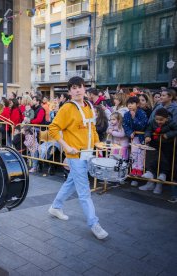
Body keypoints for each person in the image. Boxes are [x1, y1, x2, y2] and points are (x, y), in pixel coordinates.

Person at [48, 76, 108, 240]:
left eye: (79, 87)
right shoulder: (67, 108)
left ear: (84, 88)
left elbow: (92, 128)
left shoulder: (89, 105)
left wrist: (98, 144)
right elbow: (53, 128)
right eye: (73, 88)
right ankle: (94, 224)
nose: (77, 90)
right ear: (69, 91)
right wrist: (66, 147)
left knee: (71, 182)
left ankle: (55, 206)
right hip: (76, 156)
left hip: (88, 154)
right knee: (84, 192)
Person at [139, 108, 177, 194]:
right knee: (152, 160)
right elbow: (148, 129)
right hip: (155, 143)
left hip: (167, 145)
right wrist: (147, 136)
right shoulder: (153, 122)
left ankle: (160, 182)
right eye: (157, 119)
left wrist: (168, 134)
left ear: (166, 118)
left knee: (164, 161)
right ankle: (150, 177)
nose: (158, 121)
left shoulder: (171, 123)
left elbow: (176, 130)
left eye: (161, 120)